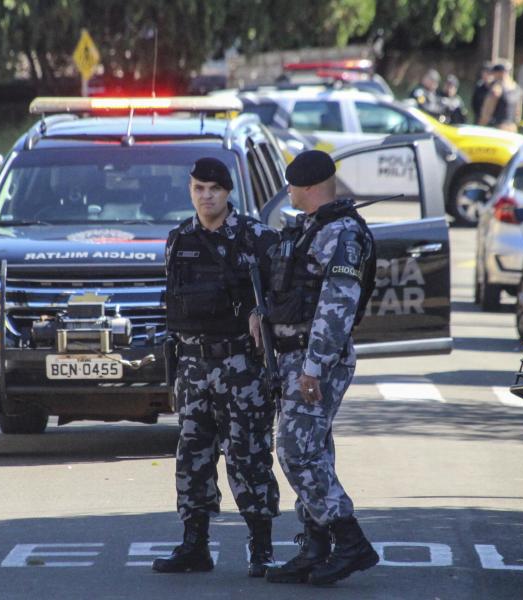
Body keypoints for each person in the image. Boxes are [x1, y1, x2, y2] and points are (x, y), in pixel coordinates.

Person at [152, 157, 280, 578]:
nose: (205, 196)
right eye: (198, 188)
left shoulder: (255, 237)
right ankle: (195, 545)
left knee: (249, 457)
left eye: (213, 188)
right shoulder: (178, 240)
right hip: (193, 366)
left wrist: (263, 315)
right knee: (192, 457)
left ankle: (261, 547)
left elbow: (284, 293)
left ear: (228, 192)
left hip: (241, 366)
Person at [261, 150, 379, 586]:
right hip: (296, 357)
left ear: (309, 187)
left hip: (316, 362)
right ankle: (315, 547)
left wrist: (313, 367)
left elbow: (337, 306)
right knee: (315, 451)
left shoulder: (343, 233)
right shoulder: (316, 227)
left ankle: (350, 542)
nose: (289, 193)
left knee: (297, 451)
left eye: (292, 186)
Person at [478, 61, 523, 132]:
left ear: (499, 73)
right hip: (512, 128)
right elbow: (518, 114)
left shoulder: (497, 89)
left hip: (498, 129)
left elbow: (487, 112)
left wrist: (480, 128)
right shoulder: (517, 89)